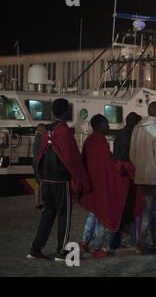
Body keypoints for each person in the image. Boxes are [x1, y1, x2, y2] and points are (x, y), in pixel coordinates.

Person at [27, 99, 91, 261]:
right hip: (61, 181)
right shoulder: (64, 131)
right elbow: (72, 157)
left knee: (47, 215)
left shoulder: (46, 130)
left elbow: (40, 154)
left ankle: (35, 249)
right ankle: (62, 251)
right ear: (65, 112)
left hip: (46, 180)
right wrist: (81, 177)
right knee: (64, 215)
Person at [79, 114, 129, 258]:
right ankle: (97, 247)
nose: (108, 127)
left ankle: (84, 241)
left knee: (93, 214)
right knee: (101, 216)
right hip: (101, 185)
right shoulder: (101, 142)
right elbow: (107, 166)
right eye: (106, 124)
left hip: (92, 183)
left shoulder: (89, 141)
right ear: (100, 125)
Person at [130, 102, 156, 254]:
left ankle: (155, 240)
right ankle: (142, 242)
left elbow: (132, 153)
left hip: (140, 174)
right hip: (153, 175)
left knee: (149, 207)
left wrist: (139, 166)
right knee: (148, 208)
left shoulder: (138, 128)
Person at [109, 112, 143, 250]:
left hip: (119, 176)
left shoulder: (120, 135)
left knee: (119, 211)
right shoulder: (134, 135)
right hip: (131, 177)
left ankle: (114, 242)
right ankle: (135, 241)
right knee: (135, 209)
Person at [32, 123, 45, 210]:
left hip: (35, 162)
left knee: (38, 183)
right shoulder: (41, 139)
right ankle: (38, 203)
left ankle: (38, 202)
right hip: (39, 163)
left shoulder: (37, 138)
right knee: (40, 183)